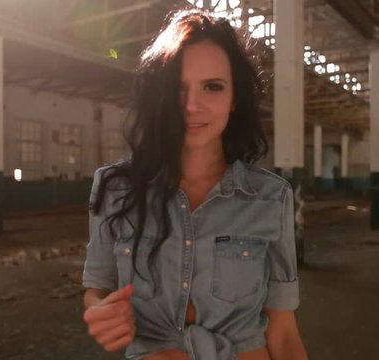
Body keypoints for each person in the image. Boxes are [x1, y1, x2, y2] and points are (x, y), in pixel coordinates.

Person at [82, 8, 308, 360]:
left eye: (212, 87)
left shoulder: (271, 197)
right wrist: (99, 310)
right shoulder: (116, 189)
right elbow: (97, 288)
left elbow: (283, 332)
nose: (192, 105)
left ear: (234, 99)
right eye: (178, 88)